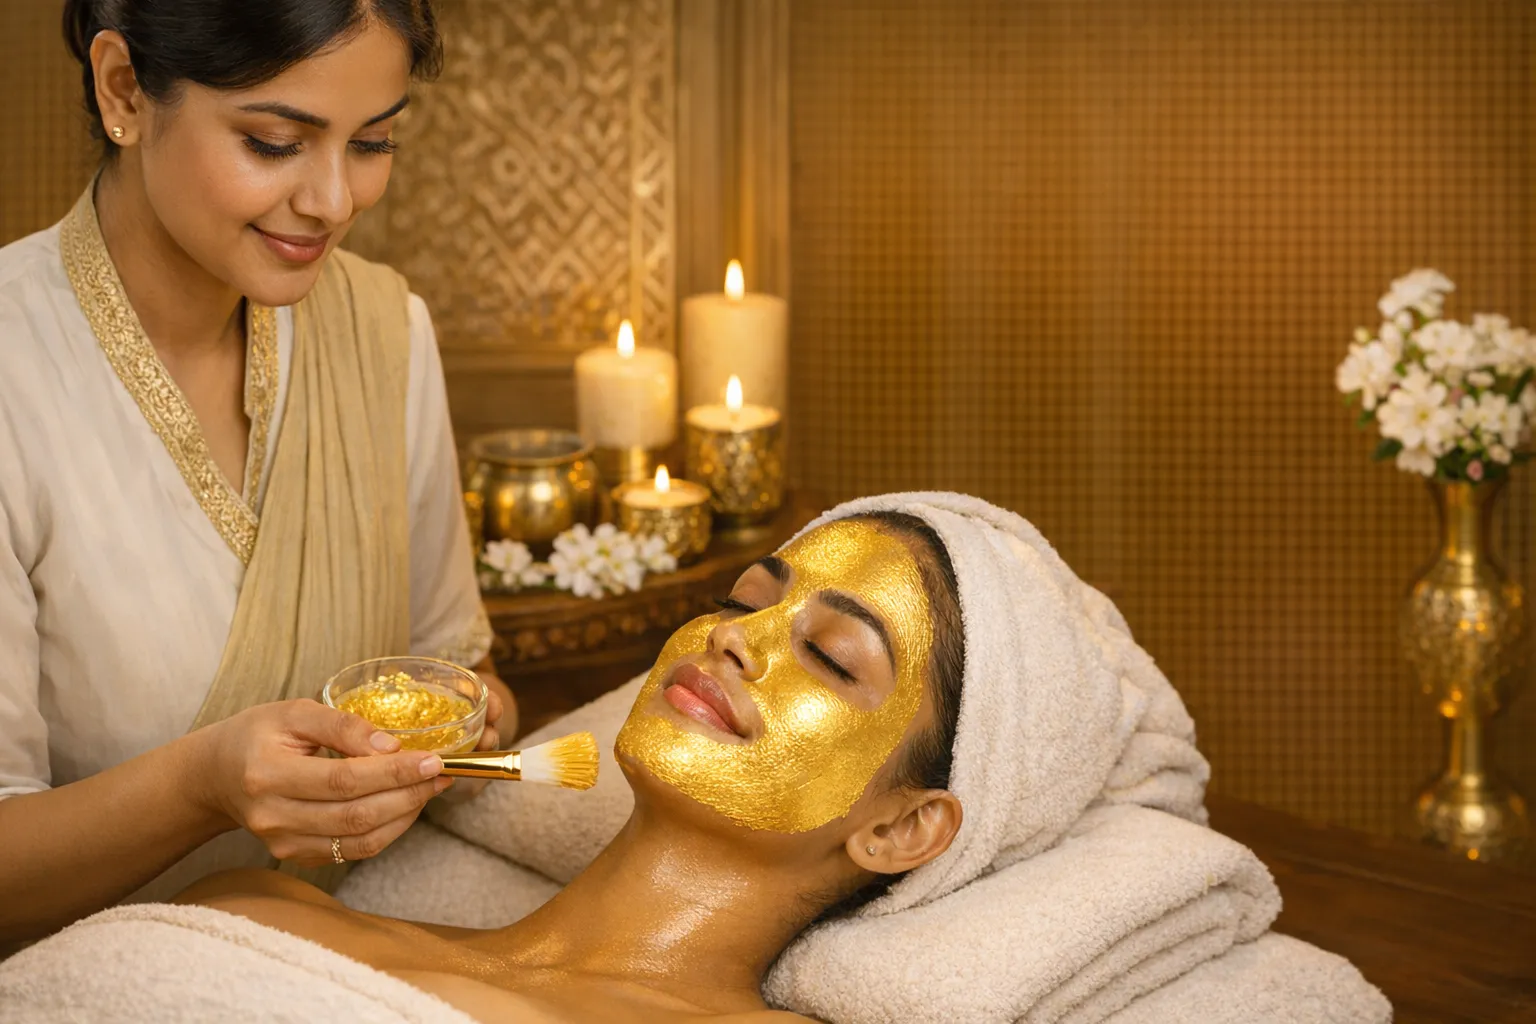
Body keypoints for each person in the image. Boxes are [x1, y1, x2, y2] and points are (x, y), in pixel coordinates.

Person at [0, 0, 515, 946]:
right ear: (123, 89)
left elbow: (458, 668)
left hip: (356, 951)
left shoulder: (382, 331)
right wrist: (203, 788)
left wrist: (465, 729)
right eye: (277, 142)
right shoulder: (14, 375)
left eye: (374, 142)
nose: (334, 201)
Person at [171, 511, 968, 1023]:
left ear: (901, 828)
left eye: (830, 656)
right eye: (739, 601)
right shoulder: (250, 906)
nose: (730, 637)